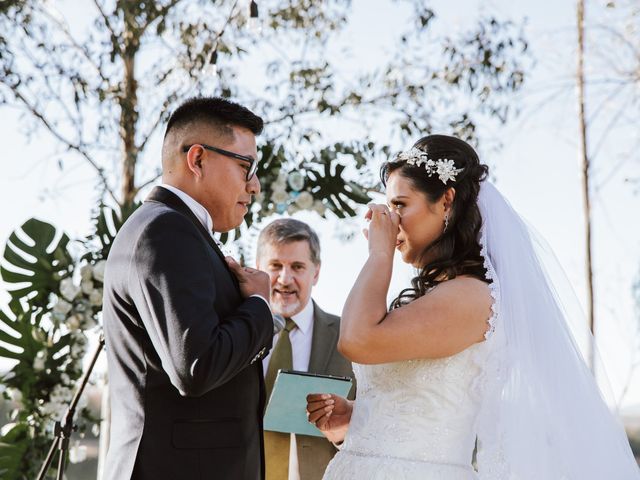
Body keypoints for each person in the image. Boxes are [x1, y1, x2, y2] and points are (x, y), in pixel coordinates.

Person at [307, 134, 640, 479]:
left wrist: (379, 254)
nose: (390, 221)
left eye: (400, 205)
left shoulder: (471, 297)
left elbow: (357, 341)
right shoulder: (438, 295)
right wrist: (358, 417)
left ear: (446, 201)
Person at [102, 97, 275, 480]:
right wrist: (261, 306)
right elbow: (196, 365)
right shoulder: (166, 231)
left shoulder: (171, 229)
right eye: (245, 165)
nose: (255, 185)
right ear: (197, 159)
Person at [256, 219, 355, 480]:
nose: (285, 279)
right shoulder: (235, 333)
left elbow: (373, 416)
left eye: (297, 267)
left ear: (316, 272)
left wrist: (344, 432)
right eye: (275, 266)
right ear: (258, 269)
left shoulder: (350, 336)